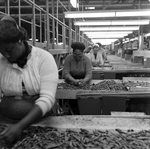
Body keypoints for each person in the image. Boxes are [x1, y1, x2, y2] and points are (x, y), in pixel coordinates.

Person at [0, 15, 58, 142]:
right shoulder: (1, 61)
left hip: (41, 123)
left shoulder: (43, 58)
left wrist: (20, 126)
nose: (6, 55)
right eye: (2, 52)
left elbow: (47, 98)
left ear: (20, 40)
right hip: (6, 122)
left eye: (9, 50)